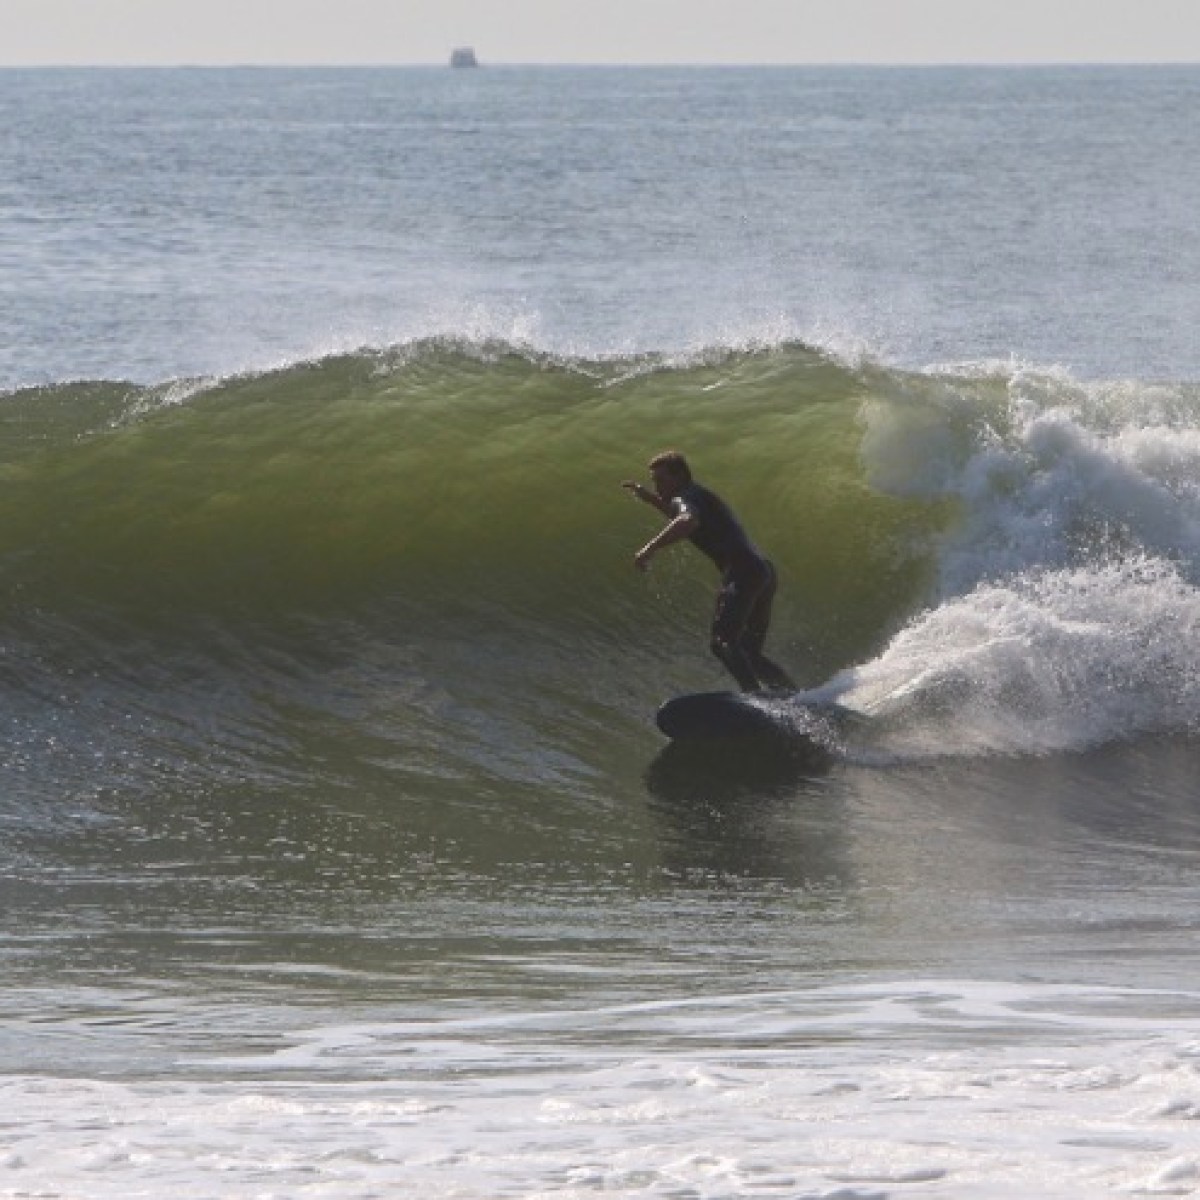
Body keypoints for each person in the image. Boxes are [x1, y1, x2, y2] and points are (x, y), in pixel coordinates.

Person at [623, 450, 796, 693]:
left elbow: (687, 520)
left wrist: (650, 547)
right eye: (654, 481)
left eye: (660, 480)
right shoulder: (696, 494)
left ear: (680, 476)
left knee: (722, 642)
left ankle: (756, 700)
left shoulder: (684, 498)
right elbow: (680, 513)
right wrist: (648, 497)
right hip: (762, 571)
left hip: (742, 572)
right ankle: (796, 698)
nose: (657, 485)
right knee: (748, 653)